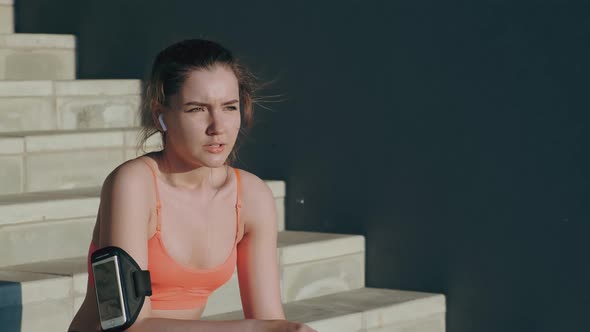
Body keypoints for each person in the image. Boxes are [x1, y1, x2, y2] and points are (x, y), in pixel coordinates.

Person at [68, 39, 317, 332]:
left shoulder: (252, 197)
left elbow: (270, 319)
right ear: (161, 115)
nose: (217, 127)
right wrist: (257, 330)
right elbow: (127, 324)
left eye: (229, 107)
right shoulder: (133, 185)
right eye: (197, 109)